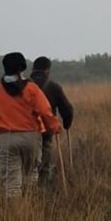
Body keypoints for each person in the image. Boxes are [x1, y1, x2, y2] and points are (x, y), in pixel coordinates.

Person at [0, 52, 62, 198]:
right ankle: (32, 211)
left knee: (12, 186)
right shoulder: (32, 89)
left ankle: (14, 216)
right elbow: (45, 111)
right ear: (22, 69)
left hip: (6, 139)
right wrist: (54, 127)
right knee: (31, 177)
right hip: (31, 138)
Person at [30, 56, 76, 187]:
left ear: (33, 69)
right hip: (46, 132)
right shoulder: (53, 87)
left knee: (28, 168)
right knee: (45, 166)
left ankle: (28, 197)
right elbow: (67, 109)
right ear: (47, 70)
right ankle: (43, 196)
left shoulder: (25, 86)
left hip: (25, 131)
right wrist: (67, 124)